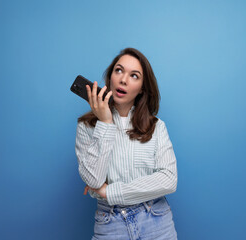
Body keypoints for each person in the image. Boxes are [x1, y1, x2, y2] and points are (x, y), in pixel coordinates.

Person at [75, 48, 178, 240]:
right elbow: (93, 180)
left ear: (142, 88)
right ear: (110, 77)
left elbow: (169, 180)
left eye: (134, 76)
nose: (123, 79)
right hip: (110, 223)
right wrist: (105, 123)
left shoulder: (156, 127)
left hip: (156, 220)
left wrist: (109, 191)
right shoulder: (86, 126)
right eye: (119, 70)